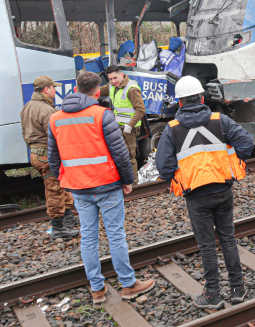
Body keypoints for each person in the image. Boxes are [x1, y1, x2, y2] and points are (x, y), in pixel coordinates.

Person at [48, 71, 155, 304]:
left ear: (75, 89)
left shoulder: (55, 119)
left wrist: (64, 180)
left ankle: (97, 290)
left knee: (88, 237)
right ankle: (128, 285)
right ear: (98, 92)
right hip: (106, 185)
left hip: (78, 188)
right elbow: (120, 153)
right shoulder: (102, 115)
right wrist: (128, 181)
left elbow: (53, 158)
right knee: (115, 235)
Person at [155, 76, 255, 310]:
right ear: (201, 98)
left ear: (180, 103)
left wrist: (181, 174)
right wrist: (231, 162)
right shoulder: (220, 120)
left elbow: (163, 167)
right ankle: (238, 288)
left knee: (207, 245)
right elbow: (247, 144)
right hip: (222, 188)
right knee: (228, 238)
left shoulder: (172, 130)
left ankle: (213, 294)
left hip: (196, 195)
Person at [20, 75, 78, 239]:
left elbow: (25, 133)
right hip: (46, 154)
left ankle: (67, 217)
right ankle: (58, 227)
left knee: (60, 185)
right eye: (53, 88)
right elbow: (55, 136)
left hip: (36, 153)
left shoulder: (27, 107)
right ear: (46, 89)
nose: (55, 90)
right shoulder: (47, 110)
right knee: (54, 189)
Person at [102, 65, 146, 182]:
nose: (113, 81)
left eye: (115, 78)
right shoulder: (112, 86)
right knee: (119, 154)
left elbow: (140, 110)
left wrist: (130, 126)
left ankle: (133, 183)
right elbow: (99, 91)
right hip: (118, 126)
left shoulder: (131, 89)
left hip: (129, 129)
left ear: (122, 75)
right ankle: (124, 181)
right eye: (110, 79)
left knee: (129, 156)